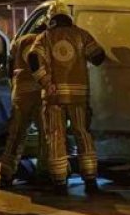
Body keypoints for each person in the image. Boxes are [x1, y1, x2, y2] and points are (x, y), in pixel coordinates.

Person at [27, 13, 105, 194]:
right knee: (83, 134)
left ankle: (60, 181)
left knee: (55, 136)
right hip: (78, 96)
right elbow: (98, 57)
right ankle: (91, 178)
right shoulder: (81, 35)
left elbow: (33, 59)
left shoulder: (45, 37)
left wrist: (45, 81)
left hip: (54, 97)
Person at [0, 29, 43, 189]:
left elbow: (9, 65)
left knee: (16, 135)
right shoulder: (45, 39)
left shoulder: (19, 41)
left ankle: (6, 174)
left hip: (20, 92)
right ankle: (45, 174)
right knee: (47, 135)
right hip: (40, 92)